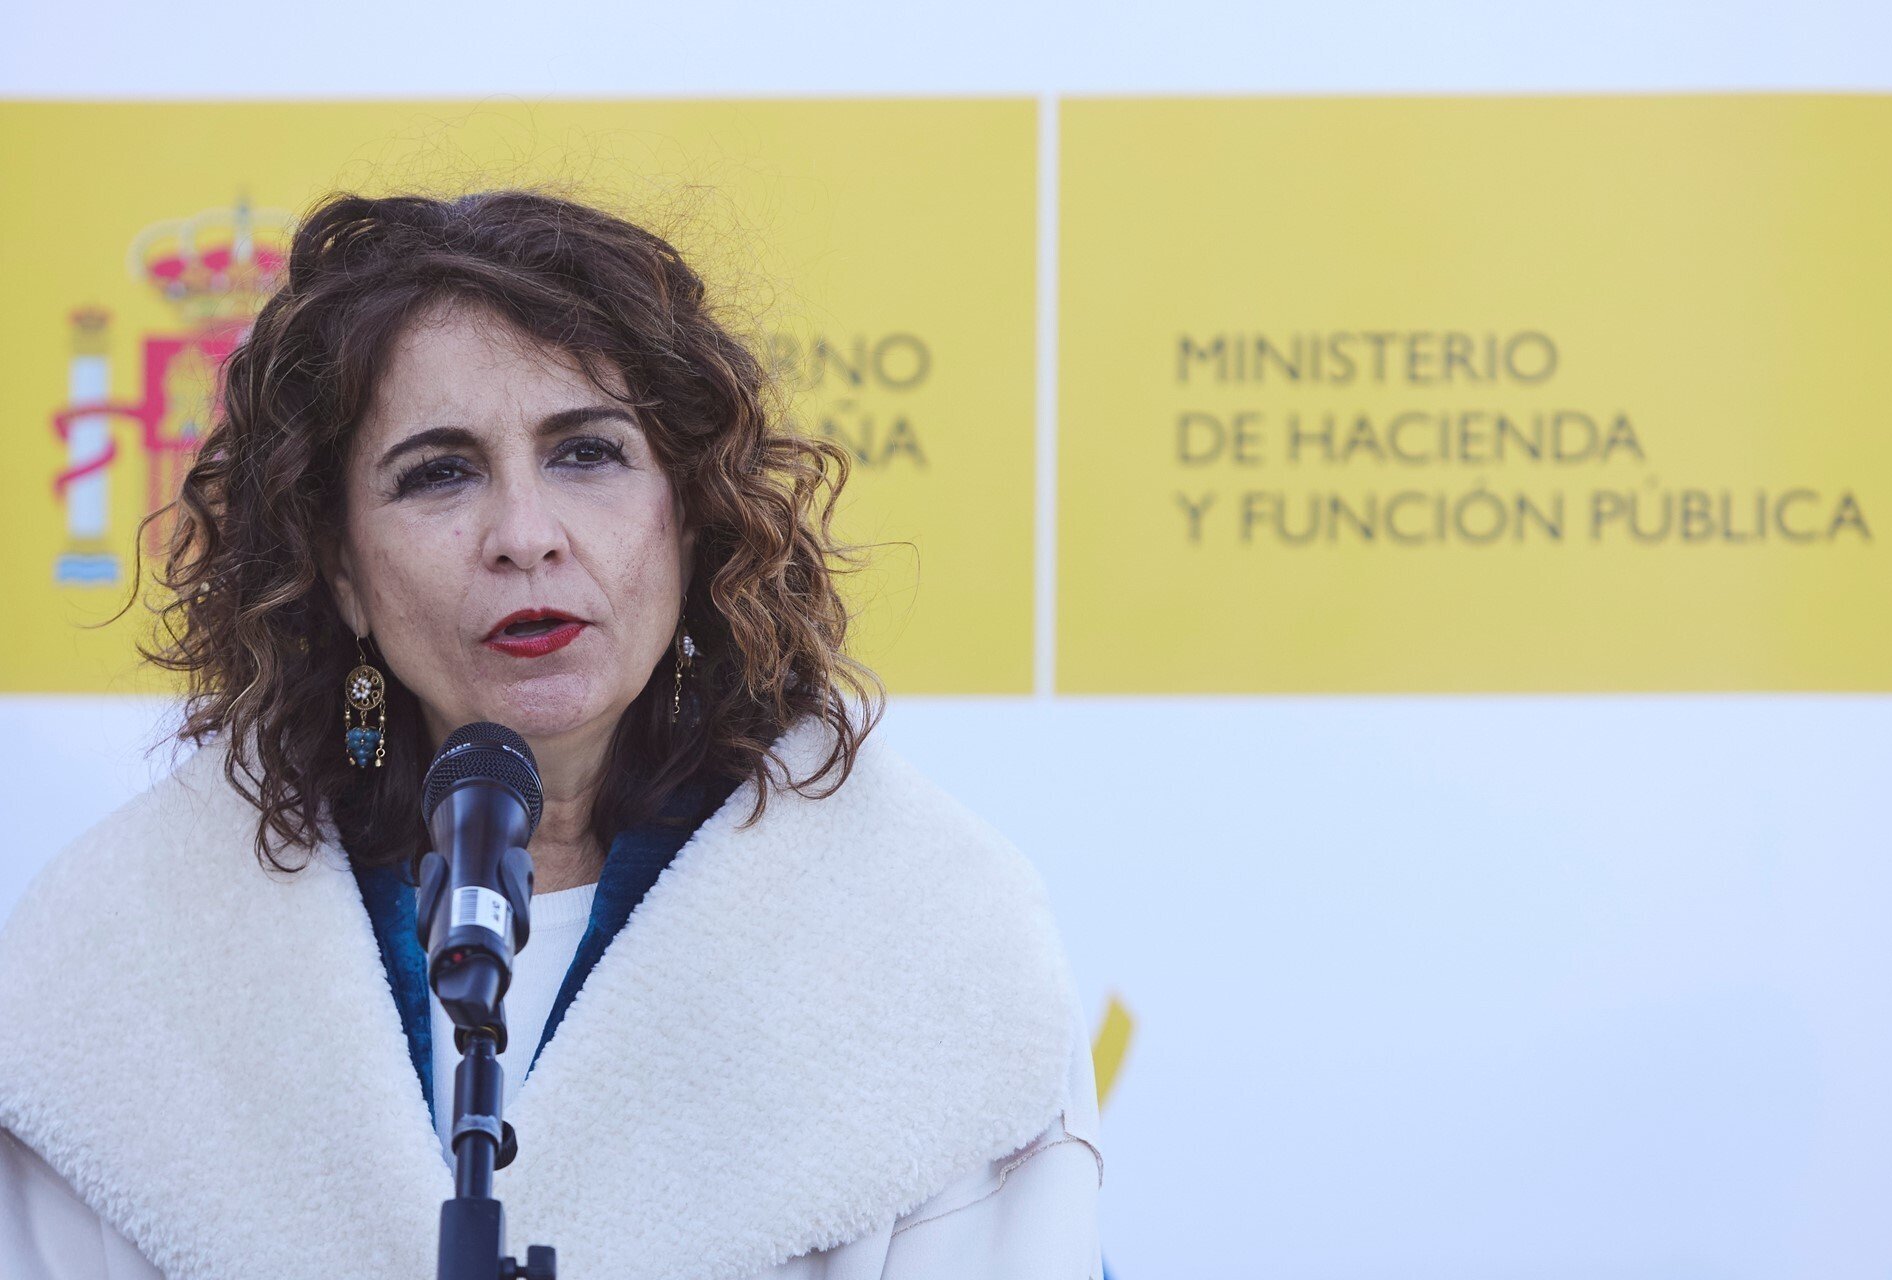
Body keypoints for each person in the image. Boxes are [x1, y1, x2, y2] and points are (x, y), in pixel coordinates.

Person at [0, 189, 1103, 1279]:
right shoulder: (119, 968)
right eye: (439, 474)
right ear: (338, 571)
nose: (525, 535)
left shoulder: (935, 941)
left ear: (691, 515)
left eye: (587, 454)